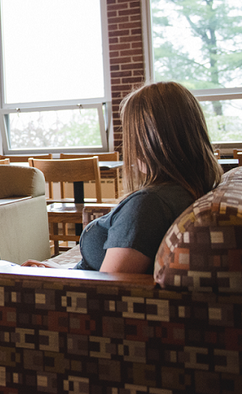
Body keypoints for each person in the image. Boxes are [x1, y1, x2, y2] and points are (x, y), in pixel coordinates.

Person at [24, 81, 222, 274]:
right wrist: (63, 270)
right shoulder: (185, 189)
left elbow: (109, 289)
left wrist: (54, 276)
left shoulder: (148, 205)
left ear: (149, 140)